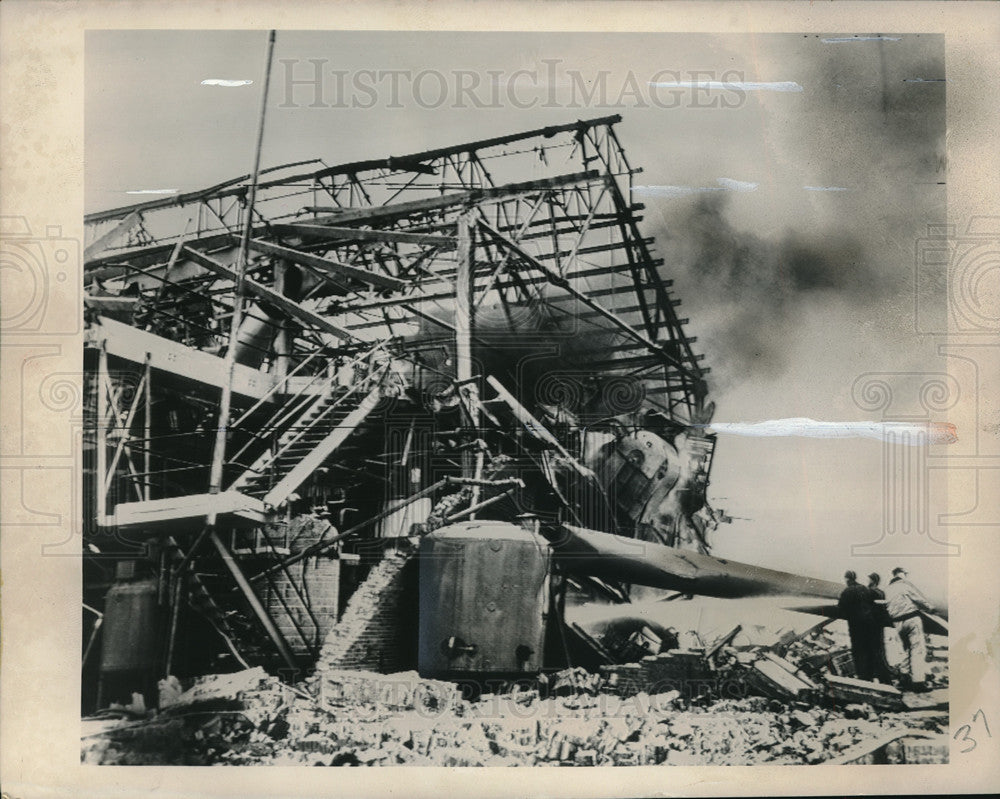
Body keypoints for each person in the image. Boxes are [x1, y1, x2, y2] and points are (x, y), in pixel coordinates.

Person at [883, 566, 934, 691]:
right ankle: (918, 682)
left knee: (906, 649)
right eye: (905, 574)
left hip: (897, 623)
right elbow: (918, 599)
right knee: (918, 650)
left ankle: (904, 677)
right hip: (911, 619)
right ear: (901, 574)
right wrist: (930, 607)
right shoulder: (905, 585)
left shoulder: (887, 589)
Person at [837, 570, 878, 681]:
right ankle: (870, 675)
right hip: (869, 624)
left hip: (856, 625)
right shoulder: (864, 589)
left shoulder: (847, 591)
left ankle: (862, 676)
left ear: (846, 579)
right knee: (868, 649)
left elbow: (840, 607)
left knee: (858, 650)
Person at [866, 572, 895, 684]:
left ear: (873, 580)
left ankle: (872, 677)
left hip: (870, 626)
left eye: (869, 579)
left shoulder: (869, 592)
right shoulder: (881, 593)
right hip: (879, 626)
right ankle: (885, 678)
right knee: (879, 651)